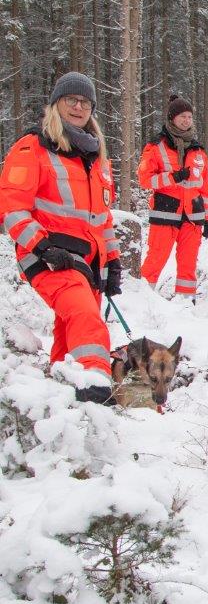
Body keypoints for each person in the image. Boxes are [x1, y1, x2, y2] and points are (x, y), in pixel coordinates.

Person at [0, 72, 122, 404]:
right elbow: (11, 207)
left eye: (85, 102)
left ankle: (59, 398)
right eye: (72, 100)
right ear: (57, 104)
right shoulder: (33, 147)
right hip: (46, 255)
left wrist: (112, 263)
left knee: (69, 334)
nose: (79, 106)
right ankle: (94, 383)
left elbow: (102, 219)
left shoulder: (95, 158)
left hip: (85, 262)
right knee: (85, 317)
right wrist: (43, 246)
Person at [138, 95, 208, 297]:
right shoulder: (155, 146)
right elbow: (145, 179)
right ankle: (142, 302)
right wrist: (172, 177)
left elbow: (204, 189)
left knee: (188, 265)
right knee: (155, 260)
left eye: (189, 116)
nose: (186, 120)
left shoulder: (198, 151)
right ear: (172, 118)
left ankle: (186, 305)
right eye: (182, 116)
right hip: (165, 212)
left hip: (193, 216)